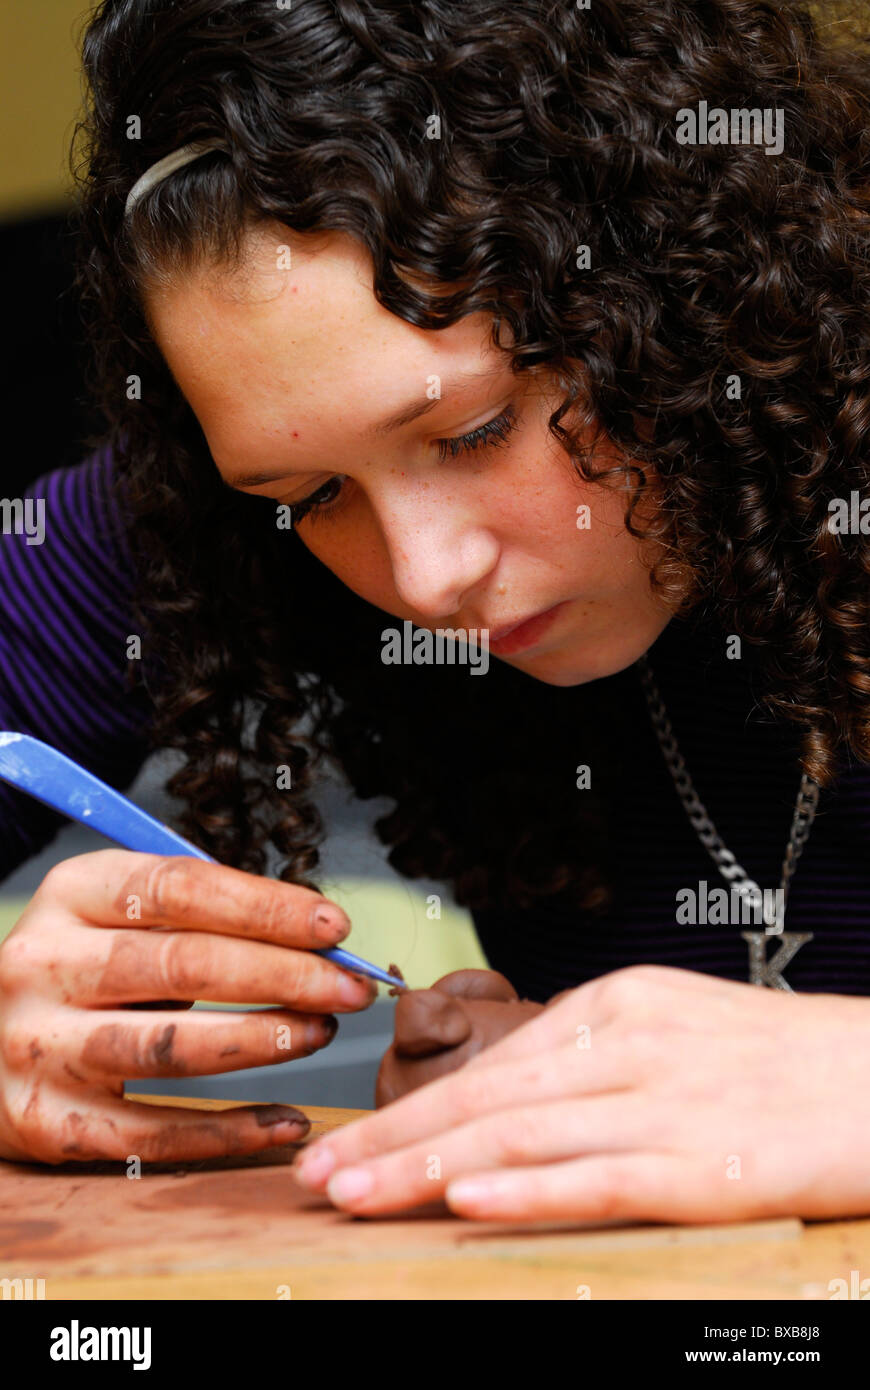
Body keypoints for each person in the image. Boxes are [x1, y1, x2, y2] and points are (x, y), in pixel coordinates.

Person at [2, 0, 870, 1224]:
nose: (423, 578)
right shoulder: (214, 513)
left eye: (472, 431)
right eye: (310, 495)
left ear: (674, 283)